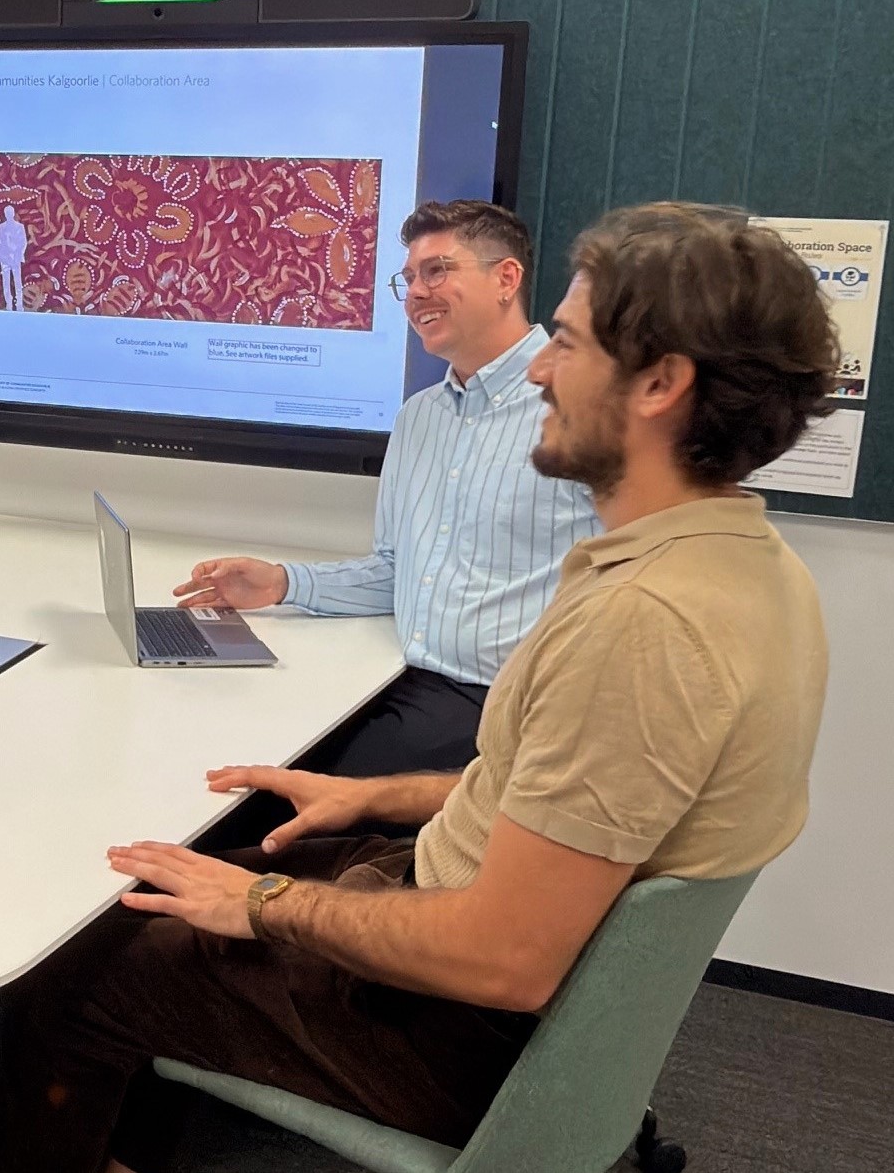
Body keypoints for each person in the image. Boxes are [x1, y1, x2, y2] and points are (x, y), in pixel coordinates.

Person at [0, 201, 840, 1173]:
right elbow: (559, 800)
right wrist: (371, 798)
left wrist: (265, 903)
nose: (535, 370)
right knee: (171, 888)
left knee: (74, 971)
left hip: (465, 1023)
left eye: (562, 344)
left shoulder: (643, 627)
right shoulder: (747, 569)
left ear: (658, 383)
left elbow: (504, 960)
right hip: (464, 908)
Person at [175, 202, 601, 805]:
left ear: (506, 279)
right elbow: (400, 569)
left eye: (438, 271)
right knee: (228, 749)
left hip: (507, 711)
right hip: (402, 682)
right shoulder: (419, 417)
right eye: (410, 279)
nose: (417, 294)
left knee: (248, 802)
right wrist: (281, 583)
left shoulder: (576, 413)